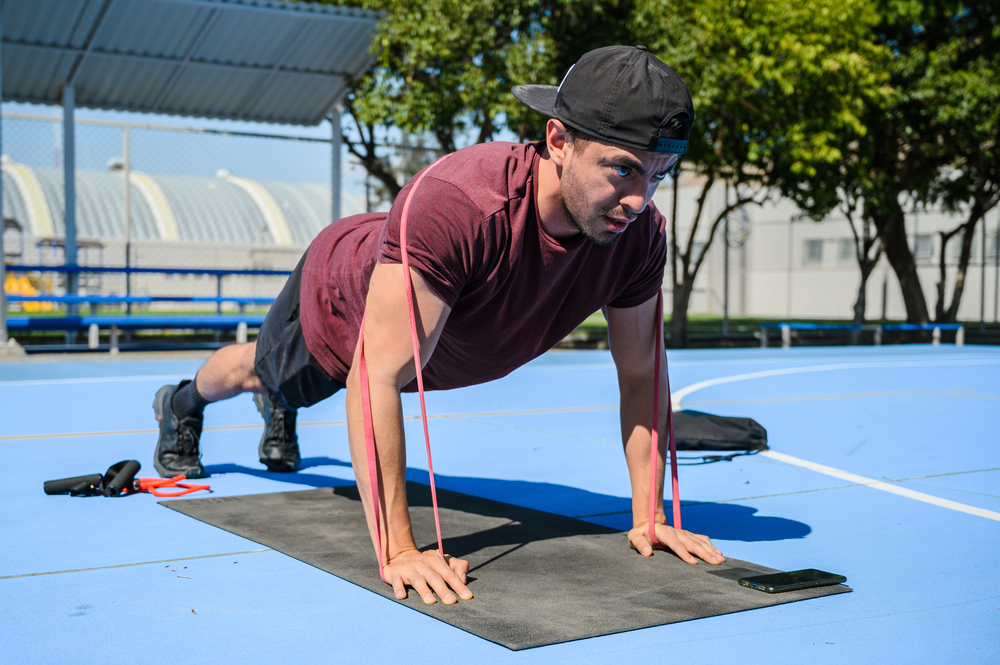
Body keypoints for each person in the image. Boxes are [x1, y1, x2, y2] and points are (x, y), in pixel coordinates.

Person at [151, 44, 725, 606]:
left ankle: (278, 407)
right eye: (622, 169)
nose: (637, 198)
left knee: (331, 378)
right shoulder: (461, 204)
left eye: (659, 174)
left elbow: (643, 373)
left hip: (422, 315)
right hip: (340, 296)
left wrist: (649, 514)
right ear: (558, 140)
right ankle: (182, 404)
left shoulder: (638, 236)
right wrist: (399, 550)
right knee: (264, 372)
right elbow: (376, 376)